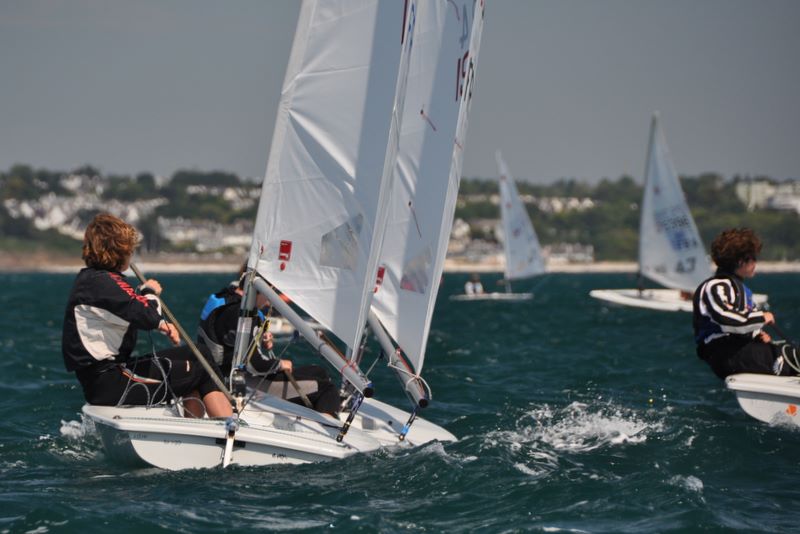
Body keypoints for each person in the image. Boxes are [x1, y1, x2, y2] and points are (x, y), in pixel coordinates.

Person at [62, 213, 232, 419]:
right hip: (108, 381)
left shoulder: (94, 280)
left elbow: (128, 309)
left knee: (199, 353)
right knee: (200, 371)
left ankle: (208, 423)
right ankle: (228, 428)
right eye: (130, 249)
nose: (132, 253)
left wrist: (161, 323)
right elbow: (147, 313)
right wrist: (150, 292)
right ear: (121, 250)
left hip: (110, 375)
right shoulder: (101, 282)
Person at [197, 273, 340, 415]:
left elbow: (233, 339)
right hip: (245, 383)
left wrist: (258, 337)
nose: (269, 302)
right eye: (269, 294)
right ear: (259, 290)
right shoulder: (244, 315)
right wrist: (279, 364)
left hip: (228, 373)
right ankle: (327, 426)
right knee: (327, 389)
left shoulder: (227, 299)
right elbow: (254, 365)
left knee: (319, 372)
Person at [693, 227, 795, 379]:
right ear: (740, 261)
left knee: (789, 352)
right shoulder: (717, 286)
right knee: (793, 357)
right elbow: (725, 319)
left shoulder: (740, 289)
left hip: (739, 352)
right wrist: (761, 318)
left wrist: (757, 335)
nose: (755, 263)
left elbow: (743, 323)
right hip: (727, 354)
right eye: (753, 258)